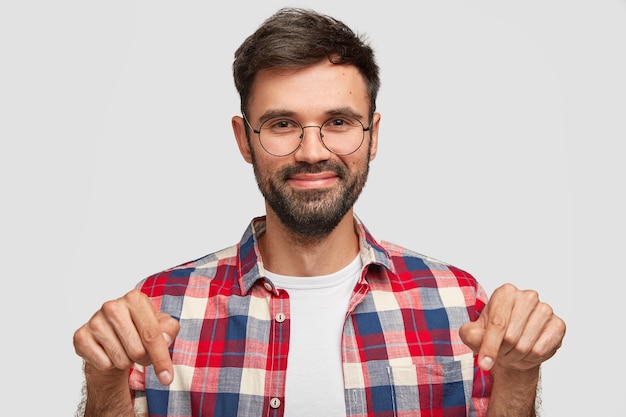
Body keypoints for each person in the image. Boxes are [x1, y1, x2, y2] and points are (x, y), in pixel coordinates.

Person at [73, 7, 566, 417]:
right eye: (283, 123)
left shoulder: (457, 301)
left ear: (373, 135)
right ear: (245, 140)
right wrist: (104, 377)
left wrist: (519, 375)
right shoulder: (159, 306)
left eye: (338, 121)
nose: (312, 151)